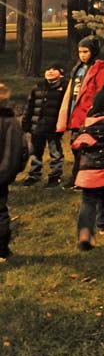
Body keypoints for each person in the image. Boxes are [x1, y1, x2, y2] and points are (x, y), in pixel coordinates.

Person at [72, 83, 104, 250]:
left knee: (88, 201)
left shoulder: (89, 128)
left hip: (90, 172)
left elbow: (77, 144)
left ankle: (85, 234)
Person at [57, 36, 104, 183]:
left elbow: (102, 93)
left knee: (85, 147)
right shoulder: (78, 68)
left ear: (93, 51)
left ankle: (80, 176)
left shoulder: (100, 69)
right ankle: (78, 175)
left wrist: (94, 112)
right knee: (76, 145)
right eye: (80, 52)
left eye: (86, 51)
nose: (82, 55)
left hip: (89, 114)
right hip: (76, 113)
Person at [22, 62, 68, 187]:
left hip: (53, 127)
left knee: (55, 153)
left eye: (54, 69)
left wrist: (63, 124)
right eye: (48, 69)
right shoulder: (38, 87)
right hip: (37, 126)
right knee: (36, 152)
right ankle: (34, 175)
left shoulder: (64, 88)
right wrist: (26, 122)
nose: (50, 71)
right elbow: (29, 105)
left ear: (61, 74)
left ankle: (55, 176)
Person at [0, 82, 29, 261]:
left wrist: (6, 174)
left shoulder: (10, 123)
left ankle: (1, 250)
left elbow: (17, 151)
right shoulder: (12, 122)